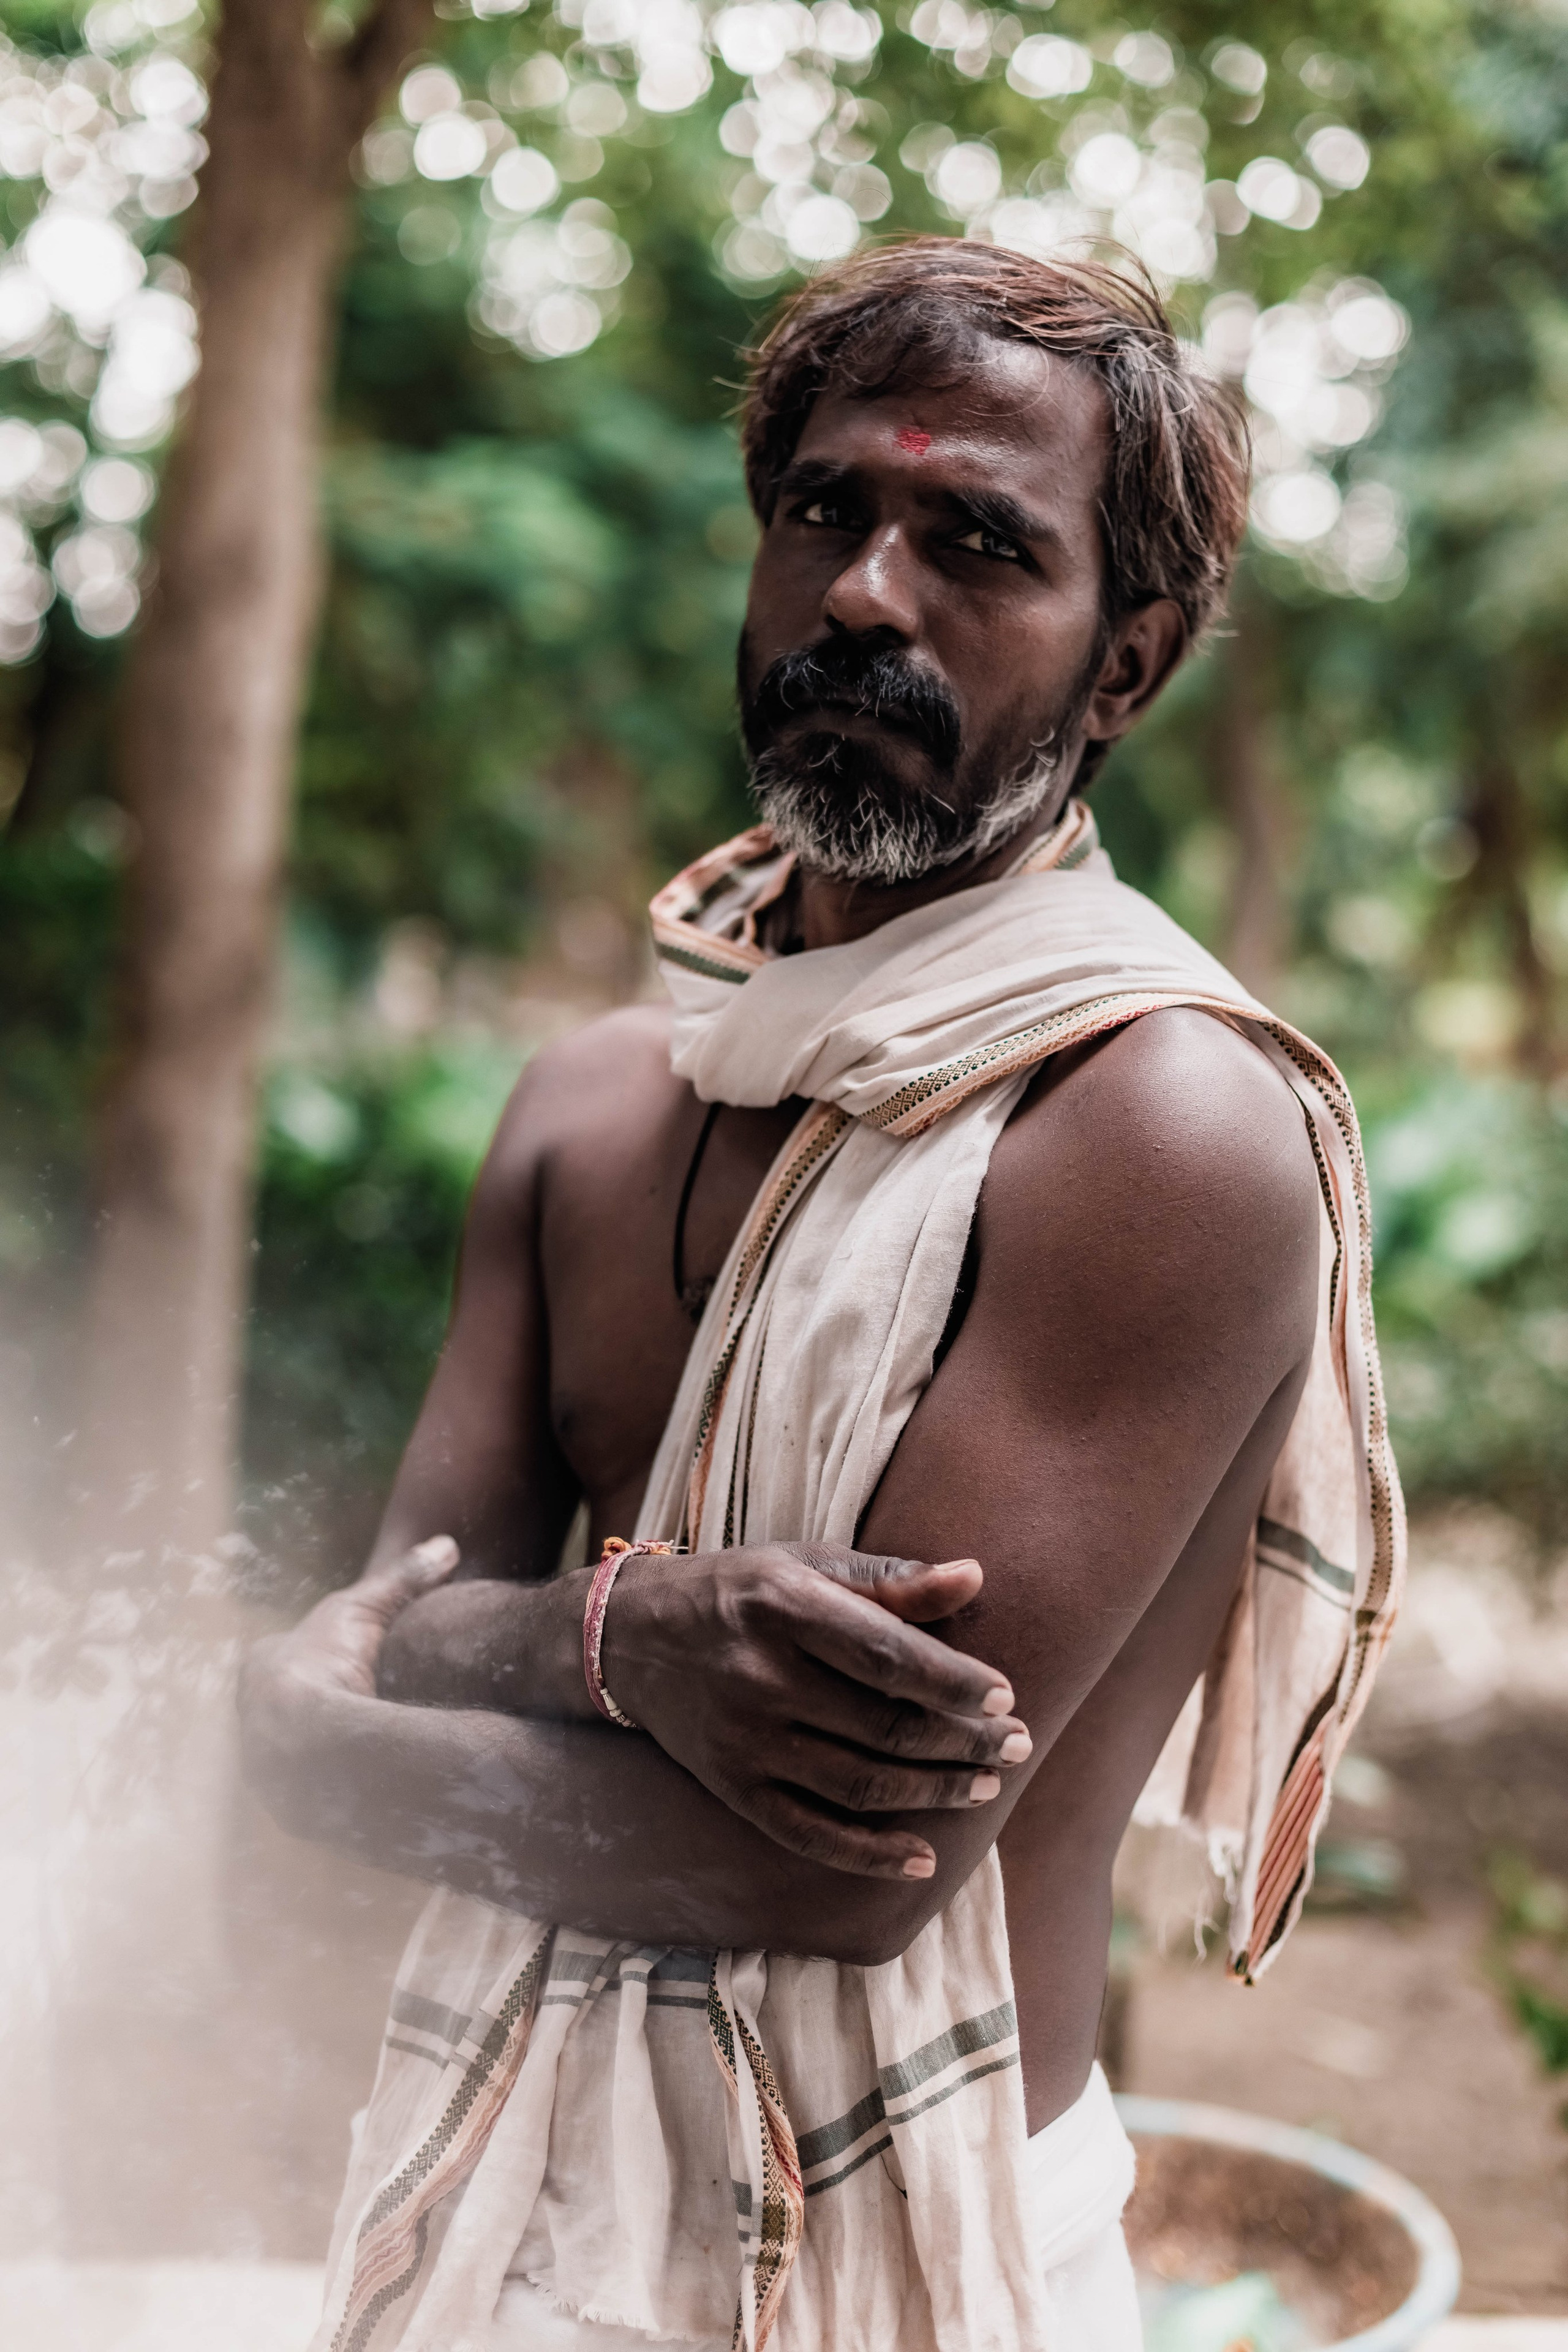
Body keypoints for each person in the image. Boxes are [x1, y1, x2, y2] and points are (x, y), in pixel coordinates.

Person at [240, 241, 1404, 2352]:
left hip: (932, 2242)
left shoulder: (1159, 1132)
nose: (869, 593)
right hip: (520, 2204)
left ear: (1123, 669)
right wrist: (613, 1631)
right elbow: (403, 1625)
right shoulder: (595, 1108)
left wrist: (321, 1741)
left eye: (975, 542)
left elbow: (838, 1869)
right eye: (825, 513)